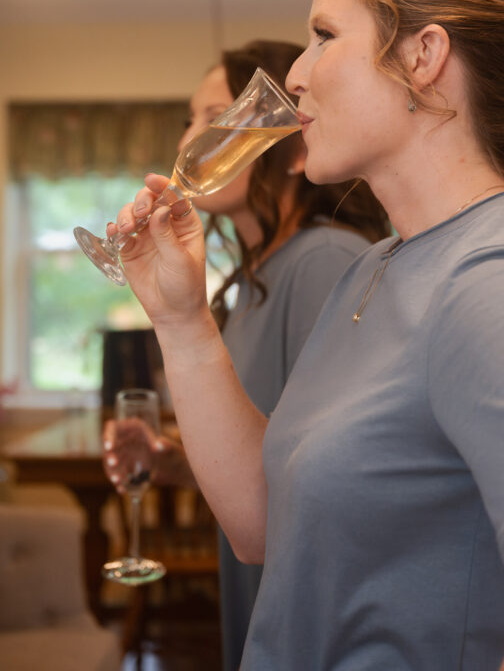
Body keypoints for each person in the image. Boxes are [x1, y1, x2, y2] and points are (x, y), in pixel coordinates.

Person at [108, 0, 504, 669]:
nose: (298, 75)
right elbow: (263, 524)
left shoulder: (497, 276)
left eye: (322, 35)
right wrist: (181, 320)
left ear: (422, 56)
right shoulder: (374, 268)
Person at [102, 39, 390, 671]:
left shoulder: (323, 262)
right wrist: (176, 465)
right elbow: (272, 453)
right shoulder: (252, 279)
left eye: (216, 118)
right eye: (192, 120)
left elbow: (323, 493)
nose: (193, 138)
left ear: (289, 148)